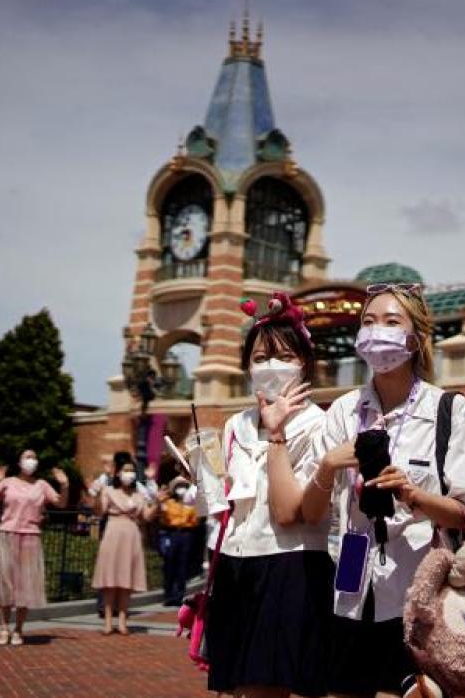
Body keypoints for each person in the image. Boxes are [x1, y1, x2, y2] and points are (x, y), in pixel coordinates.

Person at [300, 283, 465, 698]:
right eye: (368, 322)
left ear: (417, 337)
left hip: (421, 587)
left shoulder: (451, 411)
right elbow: (312, 513)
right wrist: (326, 466)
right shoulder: (343, 411)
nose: (378, 332)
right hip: (352, 572)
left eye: (392, 322)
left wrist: (412, 494)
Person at [200, 293, 333, 698]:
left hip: (290, 563)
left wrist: (277, 431)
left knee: (267, 686)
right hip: (236, 562)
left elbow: (290, 512)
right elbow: (230, 501)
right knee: (237, 686)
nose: (270, 367)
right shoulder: (235, 424)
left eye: (283, 357)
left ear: (304, 364)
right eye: (259, 359)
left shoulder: (318, 424)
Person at [0, 450, 69, 645]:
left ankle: (19, 629)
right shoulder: (7, 482)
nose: (31, 461)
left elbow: (61, 503)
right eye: (27, 457)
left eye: (34, 457)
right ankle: (4, 627)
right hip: (7, 534)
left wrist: (64, 485)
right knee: (5, 582)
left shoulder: (42, 485)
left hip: (31, 537)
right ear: (19, 461)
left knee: (25, 585)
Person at [89, 459, 155, 635]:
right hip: (113, 533)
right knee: (110, 581)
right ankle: (108, 621)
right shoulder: (109, 491)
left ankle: (123, 620)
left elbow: (147, 516)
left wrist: (158, 502)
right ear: (118, 473)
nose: (129, 474)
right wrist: (96, 495)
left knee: (126, 582)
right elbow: (99, 511)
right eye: (126, 470)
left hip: (132, 534)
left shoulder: (138, 495)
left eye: (132, 470)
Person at [156, 476, 198, 607]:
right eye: (179, 486)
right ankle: (168, 595)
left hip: (186, 534)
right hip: (171, 533)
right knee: (169, 565)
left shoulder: (190, 503)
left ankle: (179, 595)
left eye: (184, 486)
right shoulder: (168, 503)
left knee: (182, 565)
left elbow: (194, 520)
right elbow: (163, 517)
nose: (182, 489)